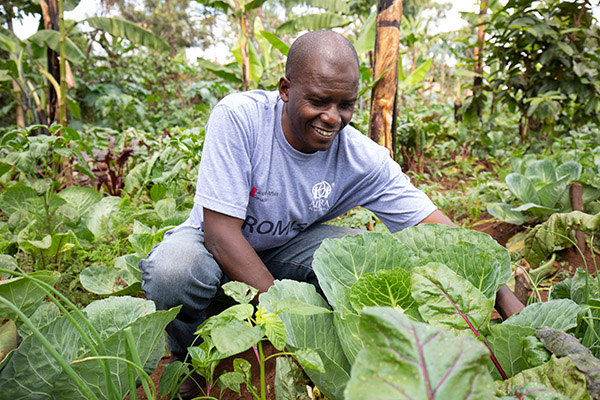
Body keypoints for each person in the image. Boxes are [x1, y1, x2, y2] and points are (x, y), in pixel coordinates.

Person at [139, 30, 521, 399]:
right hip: (213, 243)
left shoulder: (359, 156)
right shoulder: (241, 119)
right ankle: (189, 358)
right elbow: (221, 235)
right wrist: (288, 322)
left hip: (284, 249)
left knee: (368, 261)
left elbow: (435, 229)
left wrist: (503, 296)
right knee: (174, 270)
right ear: (286, 89)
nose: (333, 118)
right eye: (319, 101)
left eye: (345, 105)